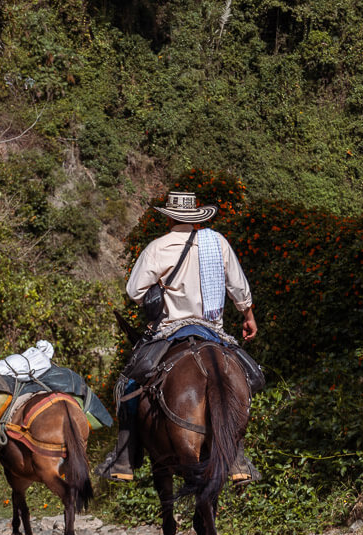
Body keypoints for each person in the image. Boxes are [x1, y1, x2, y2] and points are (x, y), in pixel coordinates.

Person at [95, 191, 262, 484]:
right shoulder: (217, 242)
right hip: (213, 330)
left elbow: (134, 292)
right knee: (250, 378)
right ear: (196, 217)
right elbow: (238, 286)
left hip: (171, 331)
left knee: (129, 384)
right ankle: (237, 456)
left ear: (169, 216)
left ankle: (123, 459)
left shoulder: (157, 248)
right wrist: (247, 316)